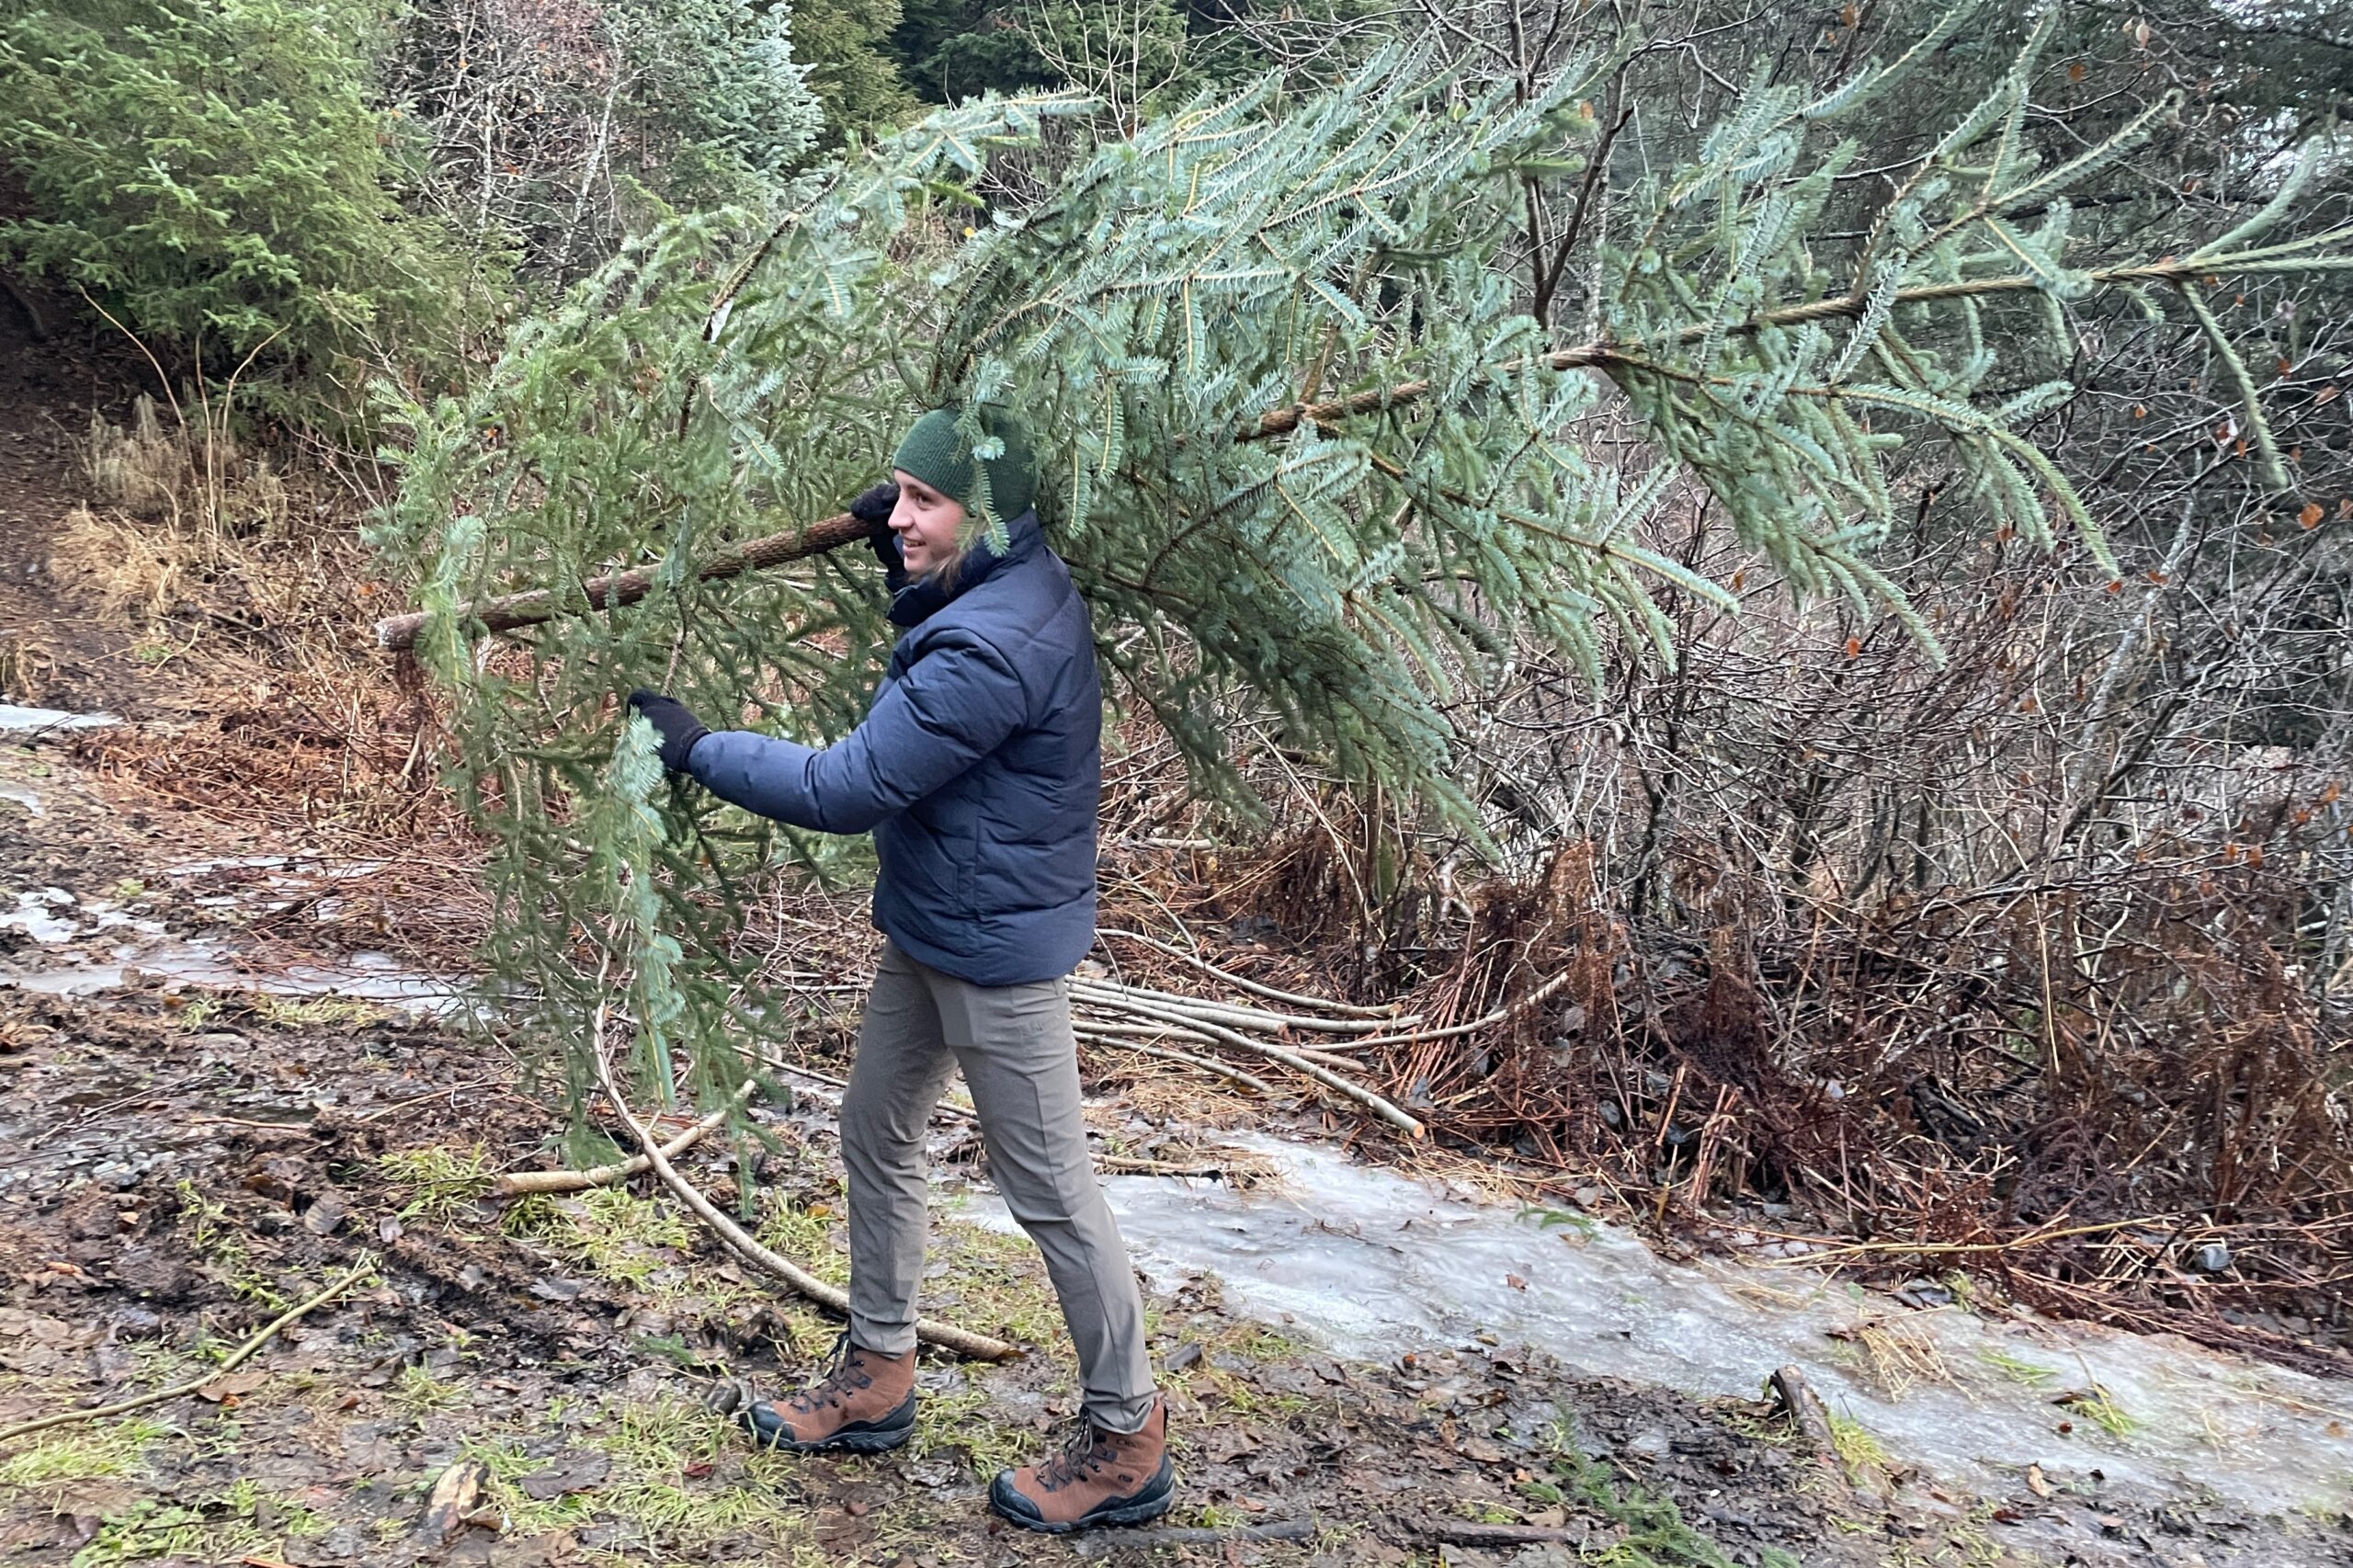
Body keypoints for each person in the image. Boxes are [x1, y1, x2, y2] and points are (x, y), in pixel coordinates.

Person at [625, 406, 1173, 1534]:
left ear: (990, 514)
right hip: (935, 924)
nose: (902, 516)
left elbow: (843, 786)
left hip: (998, 959)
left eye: (926, 501)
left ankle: (1128, 1436)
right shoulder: (1003, 583)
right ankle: (879, 1371)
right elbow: (945, 620)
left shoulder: (994, 644)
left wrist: (694, 750)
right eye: (896, 495)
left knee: (1053, 1194)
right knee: (874, 1127)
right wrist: (906, 551)